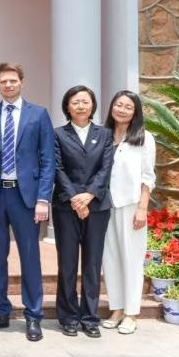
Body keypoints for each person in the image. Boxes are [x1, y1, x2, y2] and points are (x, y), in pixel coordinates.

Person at [0, 62, 54, 342]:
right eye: (3, 81)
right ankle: (1, 311)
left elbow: (47, 161)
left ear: (22, 81)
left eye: (13, 80)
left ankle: (33, 315)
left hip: (26, 197)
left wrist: (43, 199)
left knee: (30, 258)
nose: (8, 85)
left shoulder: (38, 115)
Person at [53, 85, 114, 338]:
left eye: (85, 102)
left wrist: (88, 196)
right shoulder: (58, 134)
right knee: (67, 263)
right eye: (75, 102)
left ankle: (90, 317)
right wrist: (75, 199)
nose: (80, 106)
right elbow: (57, 168)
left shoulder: (105, 134)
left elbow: (106, 168)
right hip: (65, 207)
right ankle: (68, 316)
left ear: (93, 106)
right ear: (67, 107)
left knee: (92, 264)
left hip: (97, 207)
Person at [101, 90, 156, 335]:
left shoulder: (144, 138)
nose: (122, 110)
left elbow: (148, 176)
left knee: (132, 259)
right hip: (106, 206)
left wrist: (142, 208)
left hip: (131, 205)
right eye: (118, 105)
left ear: (135, 112)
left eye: (128, 107)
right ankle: (116, 309)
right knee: (110, 259)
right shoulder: (103, 135)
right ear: (112, 107)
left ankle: (131, 313)